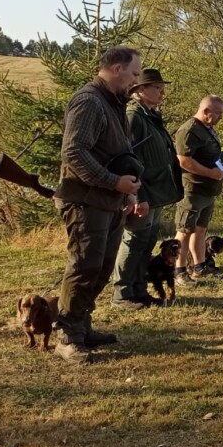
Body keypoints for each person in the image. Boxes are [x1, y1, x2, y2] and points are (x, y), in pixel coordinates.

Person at [52, 46, 143, 363]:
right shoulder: (90, 100)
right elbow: (73, 153)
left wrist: (127, 190)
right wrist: (113, 182)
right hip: (84, 200)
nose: (135, 81)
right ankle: (67, 336)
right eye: (133, 74)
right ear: (117, 69)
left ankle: (81, 326)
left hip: (107, 200)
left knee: (102, 268)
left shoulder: (113, 103)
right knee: (84, 267)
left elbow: (118, 154)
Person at [111, 68, 182, 308]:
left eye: (163, 87)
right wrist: (136, 195)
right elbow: (128, 159)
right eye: (157, 87)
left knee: (146, 243)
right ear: (140, 90)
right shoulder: (134, 116)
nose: (162, 91)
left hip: (156, 193)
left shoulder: (151, 115)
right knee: (133, 242)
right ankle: (122, 294)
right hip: (143, 192)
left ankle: (139, 290)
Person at [174, 95, 223, 286]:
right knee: (184, 230)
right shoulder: (189, 130)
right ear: (206, 111)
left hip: (208, 190)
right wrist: (211, 173)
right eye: (218, 113)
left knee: (200, 229)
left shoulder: (208, 129)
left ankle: (200, 266)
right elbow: (184, 160)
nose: (221, 117)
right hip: (192, 189)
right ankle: (179, 271)